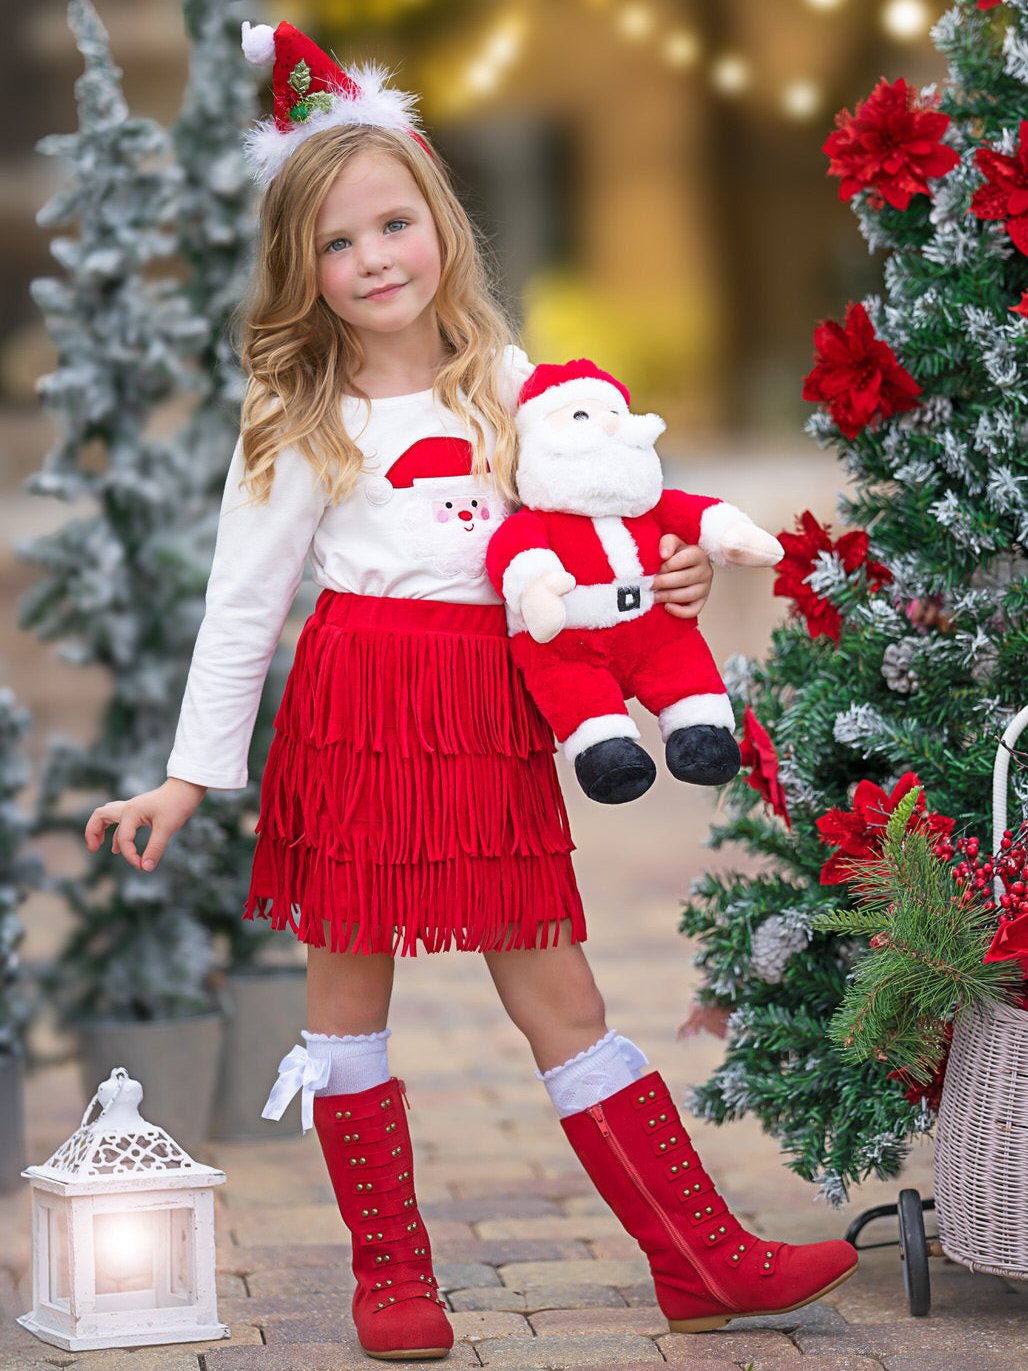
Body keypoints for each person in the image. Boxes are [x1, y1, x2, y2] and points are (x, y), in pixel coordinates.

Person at [84, 20, 856, 1363]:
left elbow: (591, 542)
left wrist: (657, 592)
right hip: (358, 713)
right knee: (347, 996)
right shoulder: (295, 416)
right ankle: (392, 1276)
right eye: (336, 243)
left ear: (439, 222)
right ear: (301, 271)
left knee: (559, 990)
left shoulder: (517, 390)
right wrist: (190, 774)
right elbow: (243, 605)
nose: (373, 259)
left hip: (487, 718)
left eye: (393, 223)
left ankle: (701, 1258)